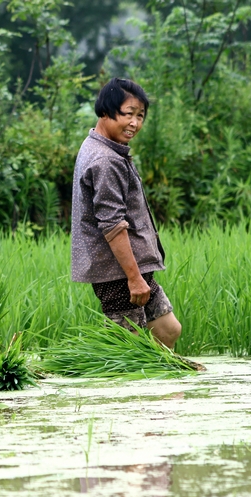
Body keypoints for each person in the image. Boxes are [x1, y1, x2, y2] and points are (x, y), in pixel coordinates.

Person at [71, 78, 181, 349]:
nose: (134, 123)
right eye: (128, 114)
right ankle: (128, 391)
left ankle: (161, 389)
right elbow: (112, 225)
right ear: (106, 111)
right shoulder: (105, 159)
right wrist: (134, 278)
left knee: (167, 330)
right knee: (128, 349)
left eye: (140, 116)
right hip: (117, 273)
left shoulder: (101, 148)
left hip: (130, 270)